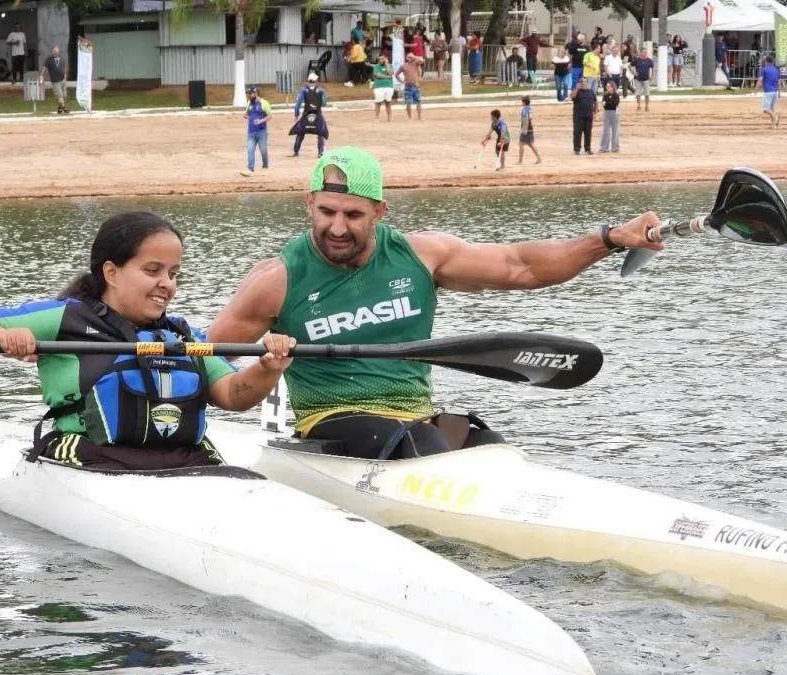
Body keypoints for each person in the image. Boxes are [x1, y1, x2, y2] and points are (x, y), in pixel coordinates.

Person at [204, 147, 664, 461]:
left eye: (353, 215)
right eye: (327, 212)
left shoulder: (421, 257)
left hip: (415, 418)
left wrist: (608, 239)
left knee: (489, 446)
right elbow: (206, 356)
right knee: (424, 442)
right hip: (330, 422)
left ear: (379, 212)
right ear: (309, 204)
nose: (338, 228)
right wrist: (263, 372)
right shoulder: (277, 280)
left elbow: (522, 267)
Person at [0, 211, 295, 472]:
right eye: (152, 271)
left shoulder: (181, 335)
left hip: (183, 458)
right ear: (111, 272)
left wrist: (268, 368)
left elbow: (233, 395)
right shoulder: (68, 317)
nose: (167, 283)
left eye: (173, 273)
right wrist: (5, 337)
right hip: (88, 453)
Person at [289, 73, 328, 157]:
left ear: (308, 80)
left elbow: (297, 105)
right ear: (315, 81)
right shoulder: (321, 90)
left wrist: (296, 115)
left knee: (300, 132)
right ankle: (320, 153)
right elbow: (324, 103)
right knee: (321, 133)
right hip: (317, 115)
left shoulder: (303, 90)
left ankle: (296, 151)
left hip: (306, 115)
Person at [241, 85, 271, 177]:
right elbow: (247, 114)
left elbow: (270, 116)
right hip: (251, 131)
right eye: (248, 94)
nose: (249, 95)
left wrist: (260, 121)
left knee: (263, 150)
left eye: (250, 94)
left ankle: (265, 167)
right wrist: (246, 116)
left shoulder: (264, 103)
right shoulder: (249, 103)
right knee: (250, 150)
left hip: (261, 132)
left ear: (256, 93)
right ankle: (250, 169)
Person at [570, 77, 596, 155]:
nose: (583, 83)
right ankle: (577, 149)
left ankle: (588, 149)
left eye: (585, 82)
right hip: (578, 116)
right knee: (577, 133)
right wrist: (577, 89)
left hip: (588, 116)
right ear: (579, 83)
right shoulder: (577, 91)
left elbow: (595, 101)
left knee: (588, 133)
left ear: (587, 83)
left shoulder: (591, 91)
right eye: (581, 82)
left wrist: (595, 111)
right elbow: (572, 96)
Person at [39, 46, 68, 114]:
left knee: (63, 95)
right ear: (52, 52)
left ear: (58, 52)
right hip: (55, 81)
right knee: (60, 95)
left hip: (62, 80)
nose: (55, 53)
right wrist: (41, 75)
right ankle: (64, 108)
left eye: (56, 52)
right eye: (54, 51)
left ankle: (59, 108)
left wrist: (65, 78)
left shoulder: (62, 59)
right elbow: (44, 68)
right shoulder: (49, 59)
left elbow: (64, 70)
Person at [395, 53, 424, 120]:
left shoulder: (416, 63)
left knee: (419, 102)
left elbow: (422, 60)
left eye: (410, 57)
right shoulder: (403, 66)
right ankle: (410, 117)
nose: (410, 58)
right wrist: (401, 81)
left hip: (416, 86)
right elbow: (396, 74)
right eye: (408, 57)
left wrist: (414, 56)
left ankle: (419, 117)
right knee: (408, 103)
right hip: (408, 86)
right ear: (406, 58)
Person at [756, 54, 781, 129]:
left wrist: (756, 89)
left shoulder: (764, 69)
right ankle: (773, 125)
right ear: (772, 61)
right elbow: (779, 82)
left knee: (765, 109)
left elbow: (760, 80)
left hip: (768, 92)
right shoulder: (776, 70)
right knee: (772, 109)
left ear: (766, 61)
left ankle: (775, 117)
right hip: (775, 91)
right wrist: (779, 92)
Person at [518, 96, 540, 164]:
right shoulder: (530, 108)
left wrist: (524, 130)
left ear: (524, 102)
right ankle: (539, 159)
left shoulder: (524, 109)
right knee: (530, 144)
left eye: (522, 102)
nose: (521, 103)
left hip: (526, 129)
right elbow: (530, 118)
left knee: (521, 144)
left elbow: (526, 119)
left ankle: (520, 161)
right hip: (530, 128)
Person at [371, 55, 394, 121]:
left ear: (386, 59)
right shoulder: (376, 66)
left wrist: (387, 64)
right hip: (379, 87)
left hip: (389, 86)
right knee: (378, 102)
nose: (381, 60)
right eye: (380, 59)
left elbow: (390, 73)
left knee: (388, 102)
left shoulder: (390, 66)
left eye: (382, 59)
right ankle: (377, 117)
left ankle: (389, 117)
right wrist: (388, 77)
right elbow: (378, 75)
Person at [599, 80, 620, 153]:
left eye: (609, 86)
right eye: (607, 87)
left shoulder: (616, 95)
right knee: (606, 131)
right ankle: (604, 148)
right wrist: (608, 104)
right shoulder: (605, 95)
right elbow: (604, 105)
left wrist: (607, 103)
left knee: (615, 131)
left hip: (614, 114)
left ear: (613, 87)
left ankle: (615, 148)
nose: (607, 88)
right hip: (606, 113)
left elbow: (615, 104)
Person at [631, 46, 654, 112]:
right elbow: (630, 66)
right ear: (640, 52)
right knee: (638, 93)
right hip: (638, 79)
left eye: (646, 52)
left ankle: (646, 106)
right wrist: (634, 73)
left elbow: (652, 67)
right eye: (643, 52)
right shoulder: (636, 60)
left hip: (646, 79)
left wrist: (652, 76)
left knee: (647, 94)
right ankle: (638, 106)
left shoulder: (649, 60)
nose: (645, 53)